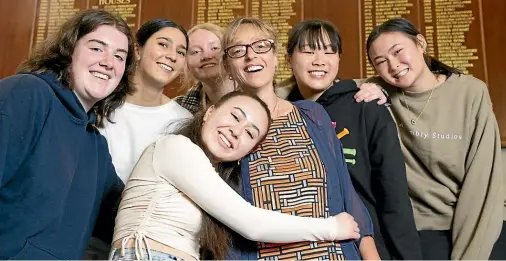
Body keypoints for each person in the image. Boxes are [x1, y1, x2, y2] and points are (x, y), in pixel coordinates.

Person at [109, 91, 361, 261]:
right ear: (209, 112)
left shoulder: (207, 177)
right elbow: (252, 223)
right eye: (235, 116)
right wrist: (331, 227)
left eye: (250, 133)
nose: (236, 132)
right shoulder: (175, 147)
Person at [221, 17, 379, 260]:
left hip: (333, 254)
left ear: (276, 57)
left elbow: (346, 192)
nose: (251, 56)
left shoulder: (312, 114)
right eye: (238, 50)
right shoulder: (223, 128)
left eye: (261, 46)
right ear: (226, 65)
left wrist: (370, 254)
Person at [364, 17, 506, 260]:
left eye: (398, 51)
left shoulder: (470, 92)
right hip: (420, 229)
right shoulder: (377, 94)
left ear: (421, 43)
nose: (393, 65)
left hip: (480, 219)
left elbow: (482, 183)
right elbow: (317, 83)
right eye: (381, 62)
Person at [0, 9, 135, 260]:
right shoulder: (26, 93)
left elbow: (122, 216)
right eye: (97, 48)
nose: (108, 62)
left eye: (119, 56)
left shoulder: (95, 145)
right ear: (68, 50)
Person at [283, 19, 421, 260]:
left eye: (329, 51)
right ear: (289, 58)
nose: (319, 60)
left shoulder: (366, 106)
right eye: (307, 51)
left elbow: (393, 196)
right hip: (302, 246)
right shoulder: (282, 114)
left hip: (368, 248)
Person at [100, 18, 192, 184]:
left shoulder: (184, 121)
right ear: (137, 50)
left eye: (181, 52)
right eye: (163, 44)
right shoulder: (99, 104)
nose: (172, 56)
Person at [176, 23, 235, 114]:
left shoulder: (257, 99)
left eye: (214, 48)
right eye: (196, 51)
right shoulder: (178, 109)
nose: (206, 56)